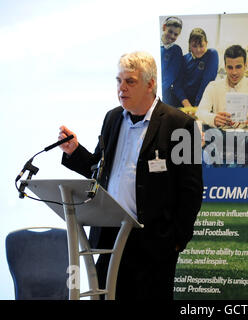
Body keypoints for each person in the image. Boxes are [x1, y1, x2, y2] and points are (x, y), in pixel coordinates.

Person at [58, 51, 203, 300]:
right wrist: (74, 152)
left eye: (130, 81)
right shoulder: (112, 118)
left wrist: (178, 240)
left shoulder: (182, 125)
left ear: (150, 84)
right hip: (109, 238)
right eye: (118, 81)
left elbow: (191, 189)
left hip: (154, 243)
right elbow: (99, 170)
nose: (121, 88)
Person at [174, 28, 219, 108]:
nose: (198, 50)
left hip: (203, 102)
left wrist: (196, 107)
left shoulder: (212, 55)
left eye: (201, 46)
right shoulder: (184, 59)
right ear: (189, 45)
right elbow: (177, 85)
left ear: (206, 43)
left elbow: (207, 82)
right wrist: (187, 105)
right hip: (184, 103)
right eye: (194, 46)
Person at [160, 16, 184, 107]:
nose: (172, 36)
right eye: (170, 31)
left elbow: (170, 77)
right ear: (164, 27)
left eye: (176, 34)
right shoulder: (153, 45)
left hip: (164, 95)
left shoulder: (176, 51)